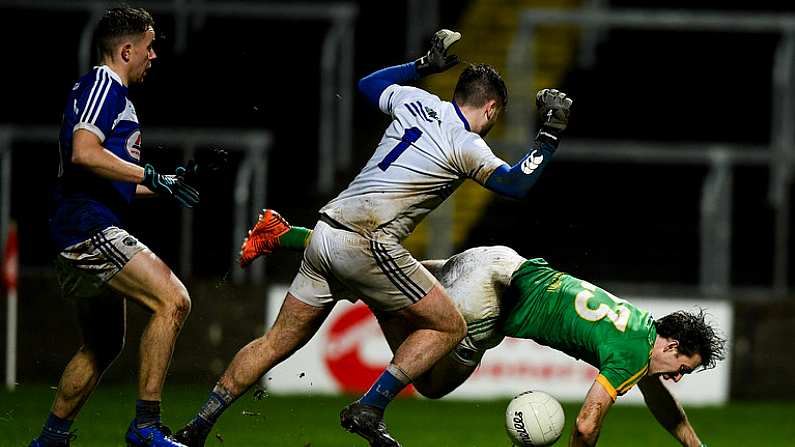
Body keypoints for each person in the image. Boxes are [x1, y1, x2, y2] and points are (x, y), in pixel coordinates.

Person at [176, 29, 572, 447]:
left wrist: (421, 66)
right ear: (491, 109)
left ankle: (196, 427)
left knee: (273, 343)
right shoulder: (466, 144)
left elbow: (368, 85)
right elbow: (514, 185)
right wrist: (547, 138)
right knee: (448, 326)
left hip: (326, 234)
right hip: (367, 242)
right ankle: (370, 407)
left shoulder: (418, 101)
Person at [240, 212, 727, 447]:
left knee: (387, 267)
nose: (676, 376)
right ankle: (374, 371)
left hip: (494, 261)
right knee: (432, 382)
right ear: (671, 344)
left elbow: (660, 399)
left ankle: (283, 232)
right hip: (489, 300)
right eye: (682, 366)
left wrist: (695, 445)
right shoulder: (633, 353)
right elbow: (585, 422)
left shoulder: (641, 329)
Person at [31, 6, 200, 447]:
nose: (154, 55)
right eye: (149, 45)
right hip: (85, 228)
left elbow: (102, 172)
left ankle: (51, 439)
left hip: (81, 226)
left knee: (103, 345)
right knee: (173, 300)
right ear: (127, 49)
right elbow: (84, 154)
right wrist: (147, 174)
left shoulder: (110, 94)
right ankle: (145, 427)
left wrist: (162, 185)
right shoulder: (103, 86)